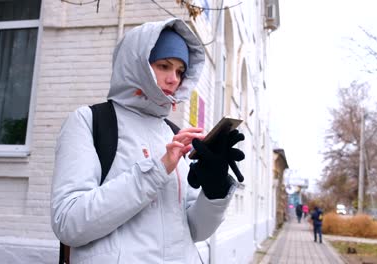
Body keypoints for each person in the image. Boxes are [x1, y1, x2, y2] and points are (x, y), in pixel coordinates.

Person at [50, 18, 245, 263]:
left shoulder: (172, 134)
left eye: (180, 71)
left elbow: (196, 231)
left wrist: (214, 190)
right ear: (137, 64)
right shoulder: (90, 122)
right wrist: (157, 169)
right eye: (164, 65)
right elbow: (68, 223)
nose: (174, 79)